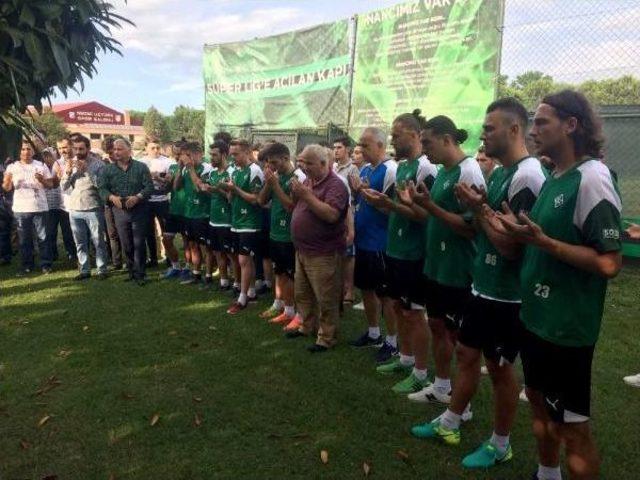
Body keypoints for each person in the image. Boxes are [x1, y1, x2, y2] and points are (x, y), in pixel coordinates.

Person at [495, 90, 622, 480]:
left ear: (572, 125)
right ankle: (546, 473)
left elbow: (609, 262)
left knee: (572, 427)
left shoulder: (592, 179)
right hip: (536, 317)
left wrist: (544, 243)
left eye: (542, 121)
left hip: (565, 328)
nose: (533, 130)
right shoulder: (555, 176)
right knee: (537, 401)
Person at [413, 99, 546, 469]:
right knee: (466, 354)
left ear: (514, 130)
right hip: (481, 285)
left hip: (507, 295)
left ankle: (500, 443)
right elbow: (492, 231)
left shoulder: (528, 176)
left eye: (490, 128)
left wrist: (480, 209)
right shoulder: (503, 172)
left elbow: (510, 248)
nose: (482, 135)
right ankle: (452, 420)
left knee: (501, 369)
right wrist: (482, 208)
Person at [360, 110, 436, 394]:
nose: (392, 139)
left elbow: (425, 215)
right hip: (396, 249)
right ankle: (405, 359)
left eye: (396, 135)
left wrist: (389, 205)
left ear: (414, 135)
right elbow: (398, 209)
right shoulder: (403, 166)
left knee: (415, 313)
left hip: (414, 253)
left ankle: (421, 371)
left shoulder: (426, 168)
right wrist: (382, 201)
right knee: (402, 309)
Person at [286, 144, 350, 352]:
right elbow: (296, 207)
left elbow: (331, 214)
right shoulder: (308, 181)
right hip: (303, 250)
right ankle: (307, 326)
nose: (304, 167)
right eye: (302, 162)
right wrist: (299, 194)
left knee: (326, 297)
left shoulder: (336, 185)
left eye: (309, 163)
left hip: (324, 252)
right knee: (302, 293)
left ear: (324, 164)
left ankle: (326, 337)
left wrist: (306, 195)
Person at [347, 127, 400, 364]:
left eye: (366, 145)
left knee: (386, 295)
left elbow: (392, 209)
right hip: (363, 240)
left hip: (382, 243)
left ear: (380, 145)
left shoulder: (392, 170)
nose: (361, 149)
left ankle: (393, 341)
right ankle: (373, 332)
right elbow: (359, 202)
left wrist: (364, 192)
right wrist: (358, 193)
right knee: (366, 290)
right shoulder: (366, 169)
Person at [257, 142, 306, 327]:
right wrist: (269, 183)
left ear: (286, 158)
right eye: (268, 163)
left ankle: (295, 312)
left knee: (292, 275)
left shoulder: (297, 177)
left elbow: (291, 206)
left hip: (290, 235)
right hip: (275, 232)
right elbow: (261, 200)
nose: (271, 167)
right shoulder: (276, 177)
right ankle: (282, 306)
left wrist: (275, 184)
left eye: (274, 162)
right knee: (279, 272)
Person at [98, 138, 154, 285]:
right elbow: (102, 188)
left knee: (139, 242)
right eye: (115, 149)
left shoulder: (141, 167)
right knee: (126, 242)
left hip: (139, 209)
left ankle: (140, 273)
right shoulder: (107, 169)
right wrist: (111, 197)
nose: (116, 152)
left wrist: (138, 197)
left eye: (120, 149)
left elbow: (149, 187)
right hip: (119, 210)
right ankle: (131, 270)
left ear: (129, 150)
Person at [219, 139, 264, 314]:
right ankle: (251, 291)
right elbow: (231, 198)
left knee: (243, 260)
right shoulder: (236, 170)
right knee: (246, 260)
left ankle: (242, 298)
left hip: (250, 223)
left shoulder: (255, 170)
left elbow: (257, 199)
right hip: (237, 221)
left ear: (247, 152)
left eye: (236, 154)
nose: (233, 158)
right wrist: (228, 190)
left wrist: (235, 189)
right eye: (231, 154)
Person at [2, 140, 54, 275]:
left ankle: (46, 265)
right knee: (25, 240)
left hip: (40, 208)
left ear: (33, 151)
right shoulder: (12, 167)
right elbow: (6, 188)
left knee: (43, 238)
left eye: (28, 149)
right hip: (21, 209)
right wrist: (8, 181)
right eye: (23, 149)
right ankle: (27, 265)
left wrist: (42, 180)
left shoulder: (41, 165)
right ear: (19, 152)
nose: (26, 152)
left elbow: (50, 185)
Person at [62, 135, 109, 280]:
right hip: (75, 209)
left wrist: (87, 171)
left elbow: (101, 186)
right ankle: (84, 270)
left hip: (93, 207)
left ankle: (102, 269)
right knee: (80, 242)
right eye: (75, 149)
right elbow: (64, 187)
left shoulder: (98, 164)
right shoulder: (70, 164)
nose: (78, 152)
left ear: (88, 149)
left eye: (81, 149)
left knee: (98, 241)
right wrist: (68, 172)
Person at [198, 140, 236, 290]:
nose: (211, 158)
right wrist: (205, 187)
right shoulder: (212, 173)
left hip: (227, 220)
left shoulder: (231, 172)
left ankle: (237, 283)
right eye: (210, 155)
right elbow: (203, 186)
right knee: (217, 252)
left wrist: (218, 190)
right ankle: (223, 281)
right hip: (213, 220)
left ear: (224, 155)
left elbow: (231, 198)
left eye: (215, 155)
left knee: (231, 255)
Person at [177, 141, 212, 286]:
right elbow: (176, 186)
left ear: (199, 154)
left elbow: (199, 188)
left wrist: (190, 167)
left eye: (189, 155)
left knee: (206, 247)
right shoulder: (185, 169)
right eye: (185, 156)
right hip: (189, 213)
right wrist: (180, 169)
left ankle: (209, 276)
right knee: (192, 244)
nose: (187, 159)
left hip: (203, 214)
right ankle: (196, 273)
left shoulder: (206, 168)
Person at [140, 139, 176, 268]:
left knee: (166, 231)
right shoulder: (140, 162)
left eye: (157, 147)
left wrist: (160, 178)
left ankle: (168, 257)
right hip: (147, 201)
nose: (156, 150)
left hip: (163, 200)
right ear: (146, 149)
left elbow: (170, 181)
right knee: (149, 231)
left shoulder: (168, 161)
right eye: (152, 148)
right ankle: (153, 258)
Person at [333, 136, 359, 304]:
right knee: (338, 253)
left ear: (347, 149)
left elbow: (356, 193)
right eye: (334, 147)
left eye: (339, 147)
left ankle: (349, 289)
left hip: (348, 213)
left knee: (349, 254)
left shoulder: (353, 169)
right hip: (335, 214)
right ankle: (339, 286)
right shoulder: (333, 167)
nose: (336, 150)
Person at [162, 140, 190, 279]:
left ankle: (188, 267)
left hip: (187, 211)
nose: (178, 157)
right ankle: (175, 266)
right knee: (166, 239)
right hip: (173, 209)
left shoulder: (192, 167)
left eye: (180, 154)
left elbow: (178, 186)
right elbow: (170, 188)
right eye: (175, 154)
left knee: (187, 242)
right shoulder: (172, 167)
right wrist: (165, 181)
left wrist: (180, 169)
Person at [100, 137, 124, 270]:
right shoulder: (102, 164)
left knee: (126, 232)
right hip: (109, 204)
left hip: (125, 202)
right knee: (112, 233)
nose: (114, 154)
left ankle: (131, 260)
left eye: (116, 150)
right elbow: (102, 186)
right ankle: (116, 261)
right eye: (111, 151)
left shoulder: (125, 163)